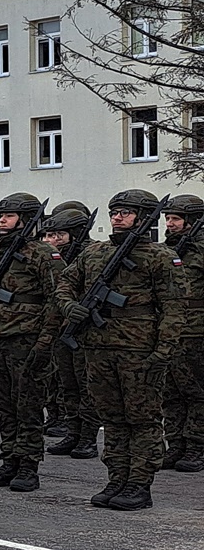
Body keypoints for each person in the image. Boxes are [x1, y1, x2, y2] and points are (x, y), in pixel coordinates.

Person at [56, 189, 176, 510]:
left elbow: (173, 309)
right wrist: (70, 307)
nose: (117, 217)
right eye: (114, 212)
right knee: (112, 418)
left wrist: (163, 352)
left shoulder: (159, 257)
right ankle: (117, 477)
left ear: (143, 216)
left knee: (143, 418)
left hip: (140, 352)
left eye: (125, 212)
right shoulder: (93, 253)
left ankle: (139, 484)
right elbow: (65, 283)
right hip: (98, 349)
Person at [0, 192, 60, 493]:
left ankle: (28, 465)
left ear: (26, 219)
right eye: (1, 215)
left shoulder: (43, 254)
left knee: (28, 406)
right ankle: (9, 458)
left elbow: (56, 301)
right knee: (4, 405)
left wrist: (45, 342)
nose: (2, 220)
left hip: (27, 339)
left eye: (8, 216)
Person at [41, 203, 99, 458]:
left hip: (86, 331)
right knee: (68, 385)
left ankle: (87, 438)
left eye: (59, 235)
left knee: (87, 386)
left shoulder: (94, 254)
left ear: (75, 234)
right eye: (50, 235)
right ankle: (72, 432)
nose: (52, 240)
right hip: (62, 330)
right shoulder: (57, 257)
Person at [162, 195, 204, 473]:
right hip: (169, 329)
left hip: (196, 328)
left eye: (175, 218)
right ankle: (175, 443)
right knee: (170, 392)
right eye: (168, 218)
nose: (169, 223)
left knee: (196, 391)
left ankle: (196, 447)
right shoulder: (167, 249)